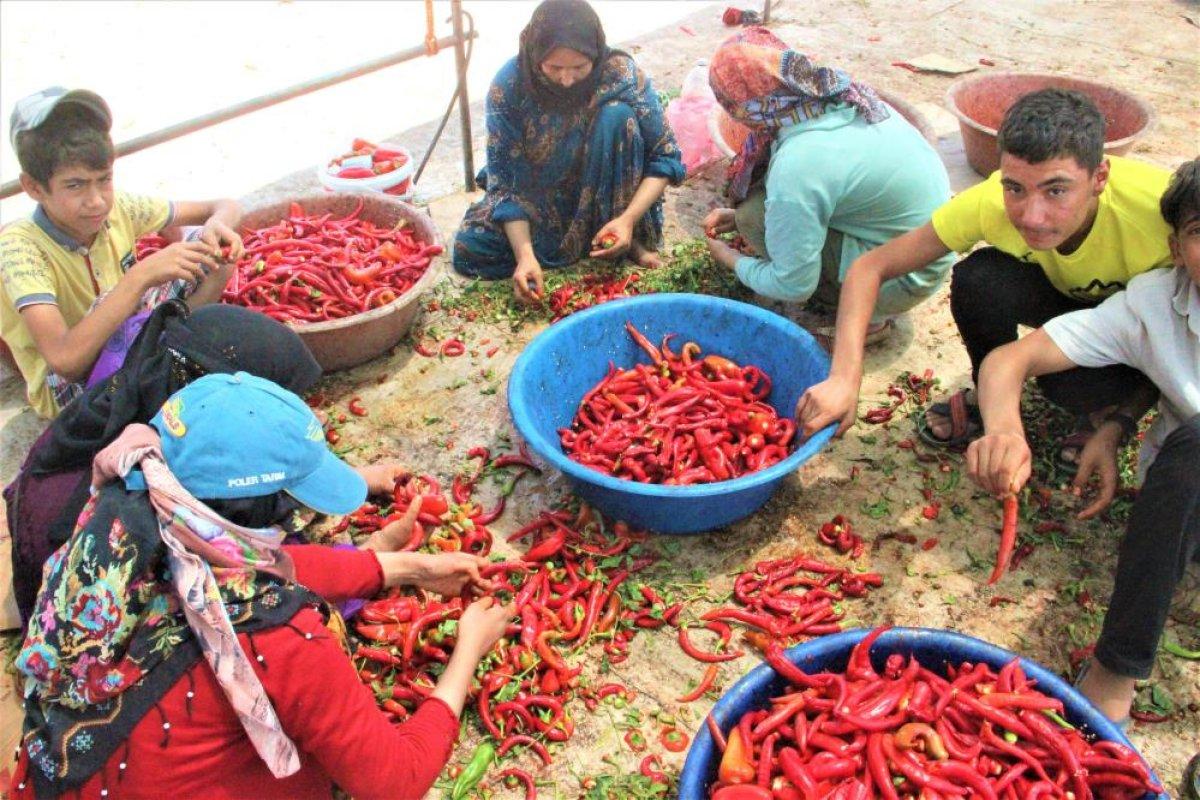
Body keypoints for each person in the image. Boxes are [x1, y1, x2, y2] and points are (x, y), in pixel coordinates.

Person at [10, 372, 514, 799]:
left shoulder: (118, 523)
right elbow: (394, 780)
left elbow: (268, 564)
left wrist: (404, 568)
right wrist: (467, 650)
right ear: (272, 511)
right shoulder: (280, 634)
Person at [796, 89, 1172, 464]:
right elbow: (869, 267)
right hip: (1069, 304)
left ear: (1099, 176)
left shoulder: (1159, 210)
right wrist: (845, 377)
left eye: (1056, 190)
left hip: (1133, 323)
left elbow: (1183, 332)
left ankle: (1107, 411)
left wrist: (1124, 419)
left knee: (1067, 388)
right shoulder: (991, 202)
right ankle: (989, 393)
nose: (1031, 216)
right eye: (1015, 188)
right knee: (980, 279)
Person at [964, 158, 1199, 725]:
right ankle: (1114, 673)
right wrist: (1004, 431)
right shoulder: (1156, 304)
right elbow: (1012, 358)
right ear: (1175, 249)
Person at [4, 300, 405, 624]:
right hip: (111, 629)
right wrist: (372, 558)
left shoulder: (146, 399)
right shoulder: (153, 509)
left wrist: (348, 477)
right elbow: (253, 596)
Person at [1, 86, 245, 418]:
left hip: (127, 334)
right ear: (33, 187)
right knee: (126, 296)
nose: (97, 200)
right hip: (69, 388)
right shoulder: (19, 247)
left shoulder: (119, 209)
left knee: (211, 257)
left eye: (104, 180)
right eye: (75, 185)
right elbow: (65, 361)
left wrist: (217, 227)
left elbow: (224, 204)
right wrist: (141, 277)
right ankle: (160, 361)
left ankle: (164, 351)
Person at [702, 27, 953, 340]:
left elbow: (793, 286)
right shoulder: (833, 96)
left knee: (754, 218)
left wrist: (733, 260)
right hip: (924, 253)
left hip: (903, 279)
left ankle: (868, 318)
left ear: (744, 107)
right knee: (750, 213)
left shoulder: (799, 163)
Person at [452, 0, 685, 302]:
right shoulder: (509, 86)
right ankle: (586, 245)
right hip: (542, 201)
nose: (566, 79)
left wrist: (628, 218)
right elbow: (507, 185)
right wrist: (524, 256)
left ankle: (625, 235)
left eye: (579, 67)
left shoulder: (619, 73)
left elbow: (665, 156)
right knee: (470, 251)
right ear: (536, 58)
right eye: (554, 68)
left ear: (595, 53)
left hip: (610, 192)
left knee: (618, 117)